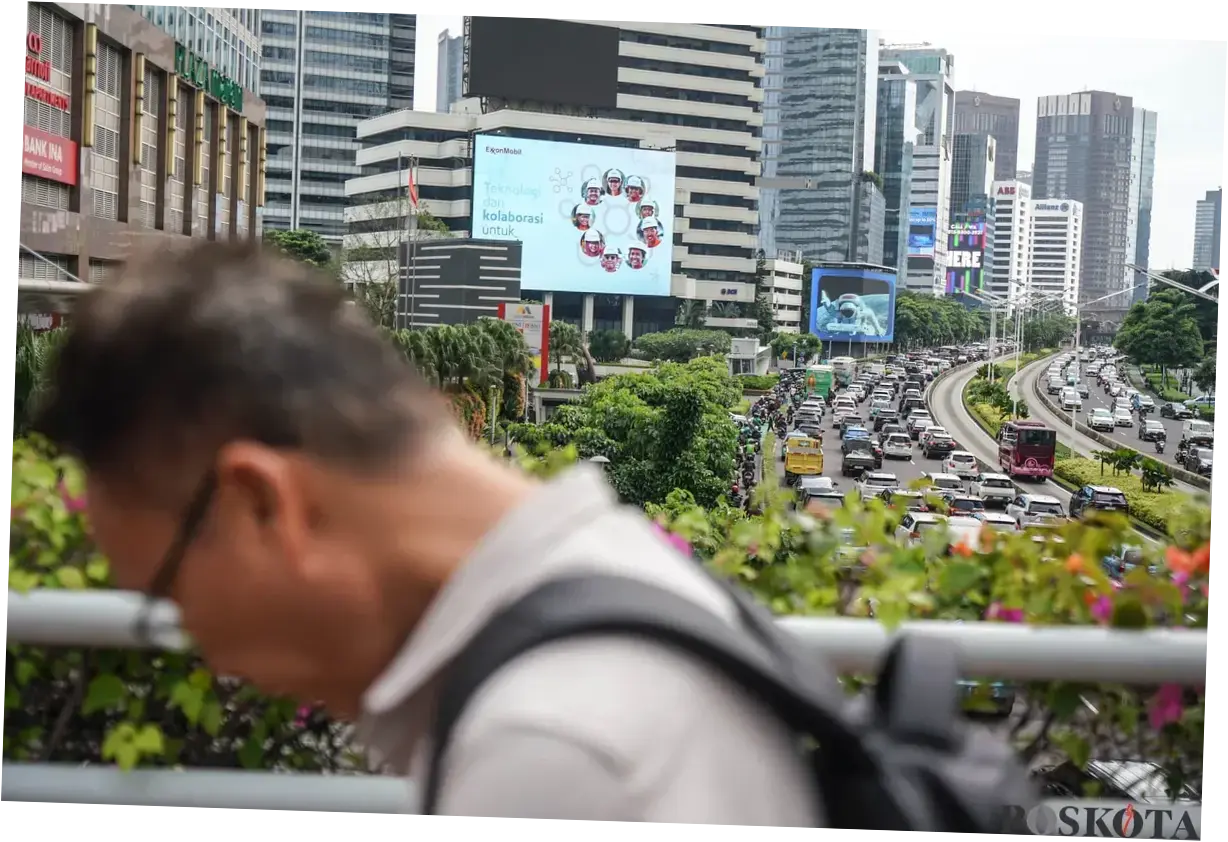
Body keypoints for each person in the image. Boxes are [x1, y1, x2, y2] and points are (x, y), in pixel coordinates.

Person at [33, 241, 821, 828]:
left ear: (263, 504)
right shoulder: (621, 581)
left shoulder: (551, 750)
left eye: (169, 595)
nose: (205, 651)